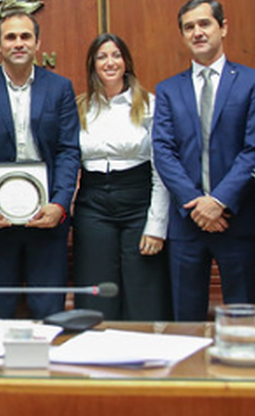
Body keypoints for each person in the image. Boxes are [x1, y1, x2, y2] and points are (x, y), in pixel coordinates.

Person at [0, 12, 81, 320]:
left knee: (49, 313)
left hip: (47, 218)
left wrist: (60, 205)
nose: (18, 43)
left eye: (25, 36)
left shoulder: (60, 88)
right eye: (11, 37)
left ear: (38, 42)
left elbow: (68, 151)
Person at [152, 0, 255, 321]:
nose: (197, 32)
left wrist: (219, 200)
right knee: (185, 322)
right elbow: (163, 151)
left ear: (223, 27)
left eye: (204, 24)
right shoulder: (167, 90)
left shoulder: (254, 82)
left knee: (242, 322)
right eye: (189, 27)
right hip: (187, 222)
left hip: (239, 219)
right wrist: (196, 203)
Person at [73, 33, 171, 321]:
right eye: (102, 56)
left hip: (138, 203)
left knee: (144, 292)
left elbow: (161, 169)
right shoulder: (80, 107)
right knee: (98, 291)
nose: (110, 62)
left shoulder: (150, 104)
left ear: (126, 61)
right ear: (92, 65)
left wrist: (157, 225)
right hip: (93, 205)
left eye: (116, 55)